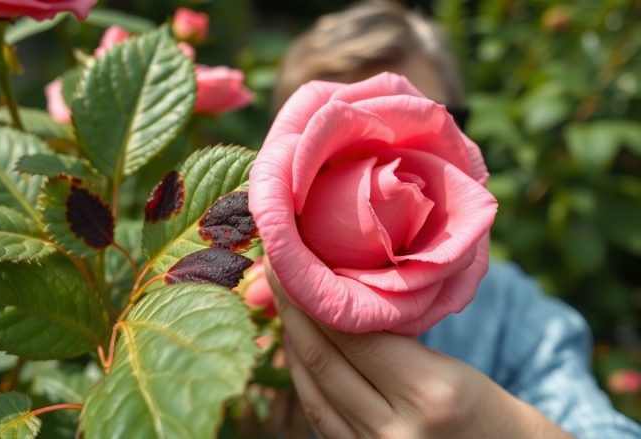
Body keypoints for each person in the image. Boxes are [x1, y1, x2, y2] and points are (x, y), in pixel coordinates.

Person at [267, 1, 641, 437]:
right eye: (331, 123)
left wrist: (508, 430)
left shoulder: (509, 312)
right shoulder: (230, 301)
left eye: (422, 114)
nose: (393, 140)